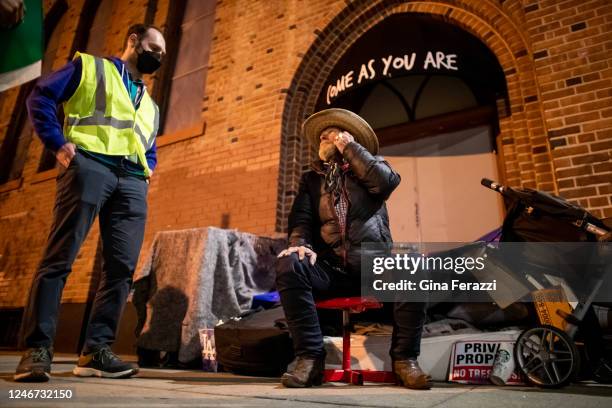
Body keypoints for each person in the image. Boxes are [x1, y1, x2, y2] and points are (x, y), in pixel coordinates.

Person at [14, 24, 166, 382]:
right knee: (60, 259)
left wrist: (148, 171)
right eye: (153, 47)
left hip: (132, 181)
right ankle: (37, 350)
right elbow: (40, 96)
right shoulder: (90, 67)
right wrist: (56, 142)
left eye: (162, 53)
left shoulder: (150, 103)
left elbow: (149, 146)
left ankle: (96, 351)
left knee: (121, 269)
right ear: (132, 41)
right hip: (90, 165)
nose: (158, 56)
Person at [276, 108, 432, 389]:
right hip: (331, 271)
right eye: (323, 136)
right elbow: (301, 219)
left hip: (373, 268)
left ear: (350, 139)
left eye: (332, 134)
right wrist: (299, 245)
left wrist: (349, 147)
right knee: (290, 263)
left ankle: (405, 361)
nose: (325, 138)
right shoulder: (312, 179)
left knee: (415, 266)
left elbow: (386, 182)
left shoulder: (372, 171)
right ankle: (309, 359)